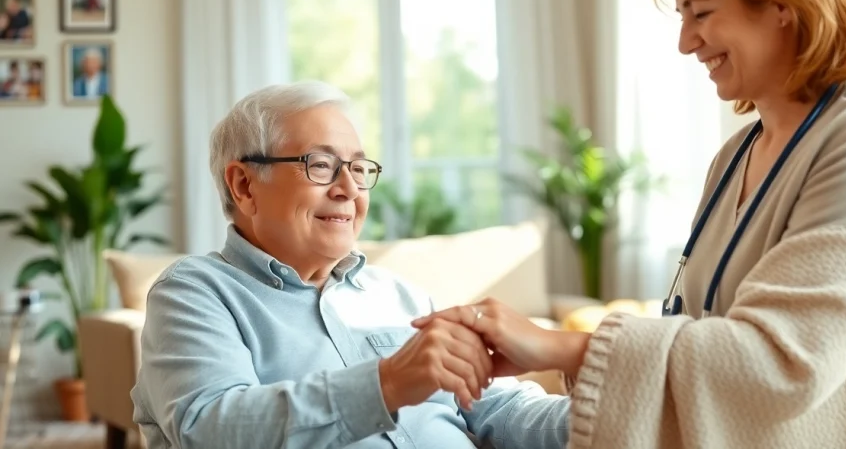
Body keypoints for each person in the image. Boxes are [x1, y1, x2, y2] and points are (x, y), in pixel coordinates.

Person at [415, 0, 846, 449]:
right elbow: (697, 334)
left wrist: (556, 346)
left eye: (702, 13)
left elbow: (785, 362)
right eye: (682, 18)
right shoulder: (734, 157)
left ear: (782, 2)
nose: (686, 42)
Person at [130, 81, 570, 449]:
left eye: (358, 168)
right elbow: (210, 429)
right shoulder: (194, 294)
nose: (349, 188)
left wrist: (612, 405)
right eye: (320, 165)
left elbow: (504, 412)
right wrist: (388, 383)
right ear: (244, 185)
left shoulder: (400, 296)